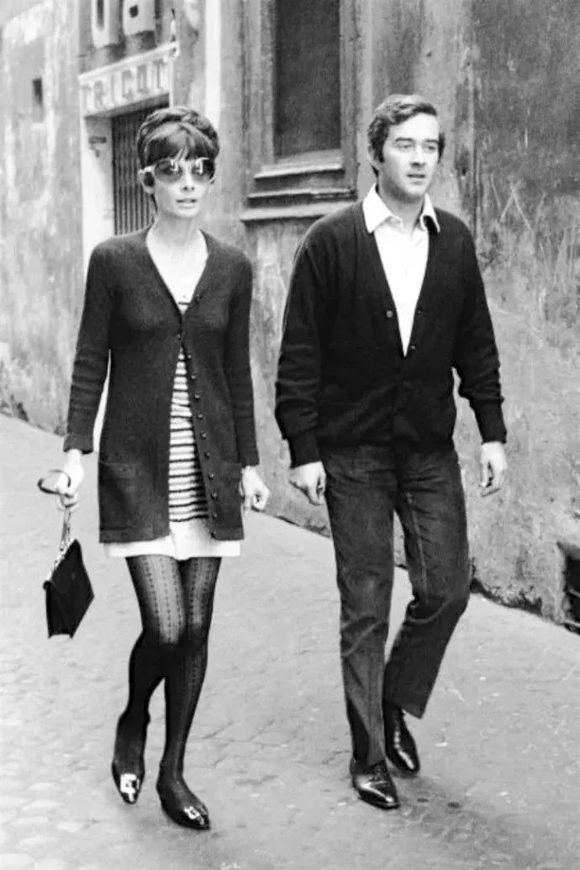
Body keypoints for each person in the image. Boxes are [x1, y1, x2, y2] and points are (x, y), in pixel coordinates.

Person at [275, 94, 507, 811]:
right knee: (366, 602)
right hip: (352, 453)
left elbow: (476, 345)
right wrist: (304, 448)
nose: (419, 158)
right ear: (376, 154)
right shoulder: (331, 242)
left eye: (430, 146)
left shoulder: (453, 241)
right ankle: (368, 753)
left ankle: (393, 698)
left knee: (446, 589)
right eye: (405, 145)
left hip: (428, 449)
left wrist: (492, 431)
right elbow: (300, 356)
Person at [46, 106, 269, 830]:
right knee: (167, 626)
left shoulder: (232, 268)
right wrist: (74, 454)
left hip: (210, 472)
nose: (188, 182)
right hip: (137, 470)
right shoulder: (114, 261)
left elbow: (235, 373)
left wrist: (250, 463)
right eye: (171, 170)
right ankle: (133, 716)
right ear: (147, 180)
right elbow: (90, 363)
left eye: (200, 169)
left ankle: (173, 771)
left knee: (197, 626)